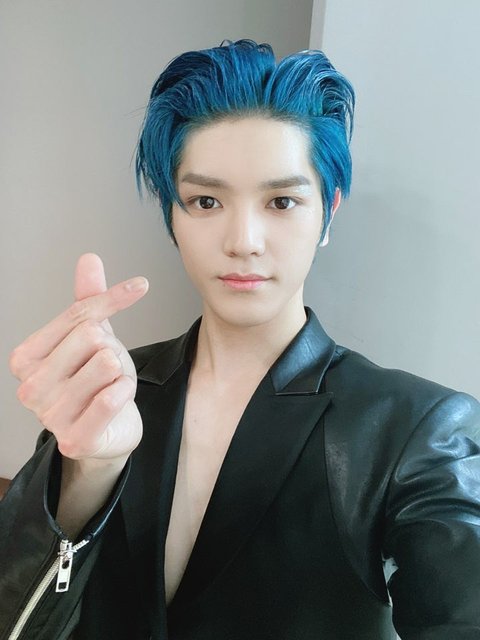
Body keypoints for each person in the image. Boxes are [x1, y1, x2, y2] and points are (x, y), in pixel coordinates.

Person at [1, 38, 479, 640]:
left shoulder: (414, 427)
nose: (243, 241)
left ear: (328, 212)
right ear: (173, 215)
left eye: (282, 201)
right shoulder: (107, 390)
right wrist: (86, 473)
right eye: (205, 201)